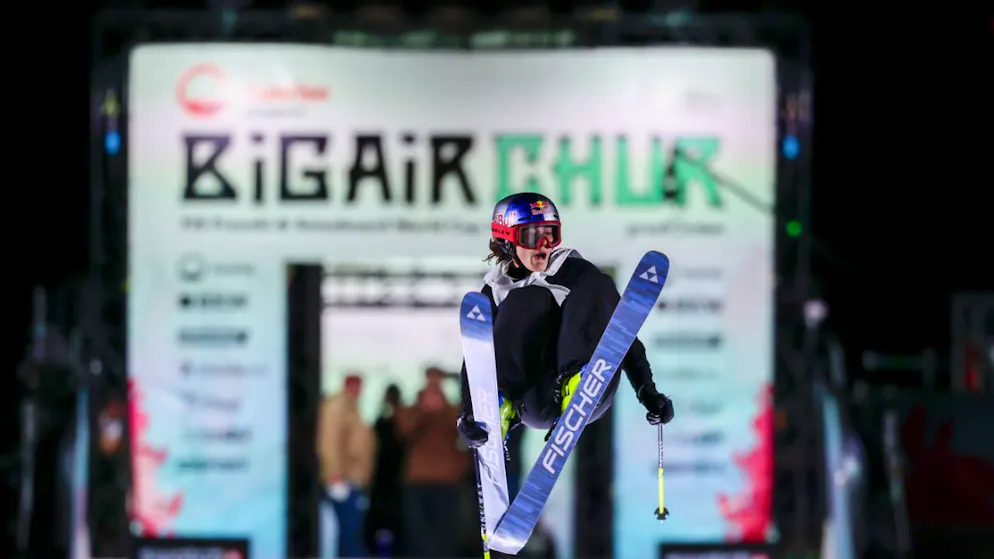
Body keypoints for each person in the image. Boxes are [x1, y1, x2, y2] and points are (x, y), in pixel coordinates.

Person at [457, 192, 675, 451]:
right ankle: (500, 405)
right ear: (506, 240)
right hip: (533, 396)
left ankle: (578, 385)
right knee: (527, 299)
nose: (544, 244)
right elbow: (476, 355)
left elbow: (622, 334)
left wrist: (647, 392)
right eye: (531, 236)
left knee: (597, 284)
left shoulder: (576, 272)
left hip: (591, 387)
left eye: (551, 234)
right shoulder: (495, 289)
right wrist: (471, 411)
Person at [395, 367, 469, 558]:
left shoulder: (451, 410)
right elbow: (404, 430)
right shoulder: (413, 409)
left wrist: (442, 406)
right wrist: (424, 408)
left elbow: (463, 435)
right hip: (418, 480)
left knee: (445, 532)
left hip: (446, 481)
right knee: (418, 531)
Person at [317, 373, 376, 558]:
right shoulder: (337, 407)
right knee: (349, 533)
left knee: (350, 532)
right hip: (344, 480)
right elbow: (329, 442)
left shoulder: (352, 407)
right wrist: (334, 475)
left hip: (354, 479)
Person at [363, 384, 405, 557]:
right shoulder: (394, 423)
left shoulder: (384, 422)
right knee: (392, 520)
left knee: (382, 520)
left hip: (385, 479)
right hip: (391, 480)